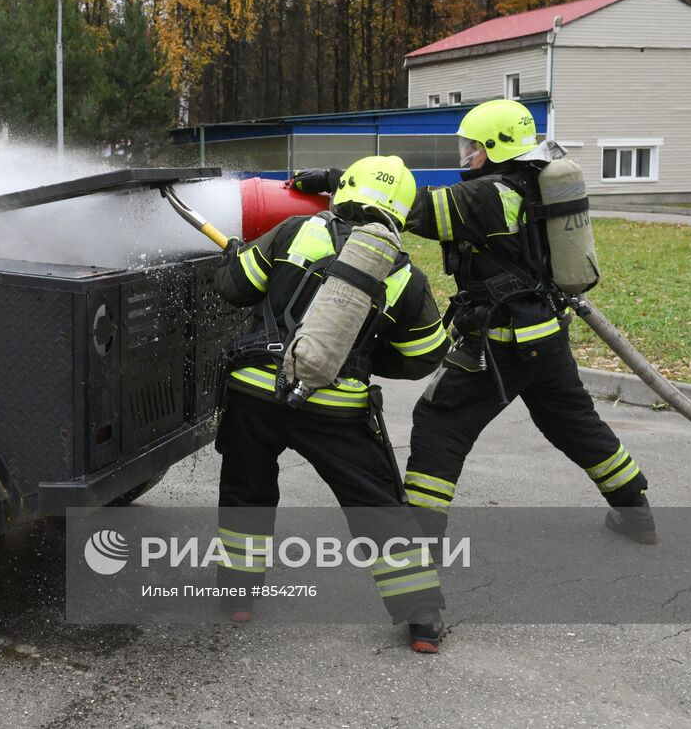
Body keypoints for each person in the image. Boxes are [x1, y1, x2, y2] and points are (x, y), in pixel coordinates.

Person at [296, 100, 654, 545]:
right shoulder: (536, 184)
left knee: (439, 422)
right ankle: (634, 508)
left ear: (496, 149)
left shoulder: (489, 197)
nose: (466, 156)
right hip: (546, 333)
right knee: (572, 421)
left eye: (473, 148)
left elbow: (414, 207)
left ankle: (421, 536)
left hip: (500, 340)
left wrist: (335, 181)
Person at [214, 155, 451, 653]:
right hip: (338, 408)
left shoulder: (294, 231)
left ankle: (238, 597)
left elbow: (234, 287)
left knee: (246, 491)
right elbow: (422, 357)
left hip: (256, 395)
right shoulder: (405, 275)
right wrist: (358, 357)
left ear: (346, 192)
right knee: (376, 506)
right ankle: (421, 617)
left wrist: (238, 255)